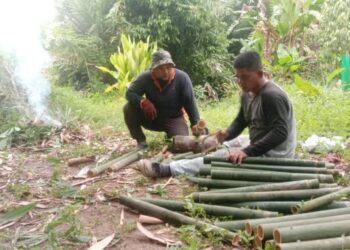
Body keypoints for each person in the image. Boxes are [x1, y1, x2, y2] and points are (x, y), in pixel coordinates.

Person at [137, 51, 297, 177]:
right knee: (222, 142)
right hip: (259, 142)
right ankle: (212, 149)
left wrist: (246, 151)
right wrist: (226, 135)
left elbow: (280, 133)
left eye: (245, 77)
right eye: (238, 77)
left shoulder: (271, 96)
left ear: (260, 74)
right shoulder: (248, 93)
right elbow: (241, 121)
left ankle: (166, 169)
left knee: (221, 156)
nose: (241, 82)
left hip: (275, 155)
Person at [123, 49, 204, 149]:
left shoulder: (182, 78)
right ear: (153, 69)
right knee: (128, 108)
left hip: (174, 118)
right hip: (152, 117)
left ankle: (170, 135)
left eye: (168, 67)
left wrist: (195, 124)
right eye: (160, 68)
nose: (165, 71)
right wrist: (143, 102)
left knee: (181, 144)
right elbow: (129, 93)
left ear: (172, 66)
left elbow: (190, 103)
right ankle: (141, 141)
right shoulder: (145, 77)